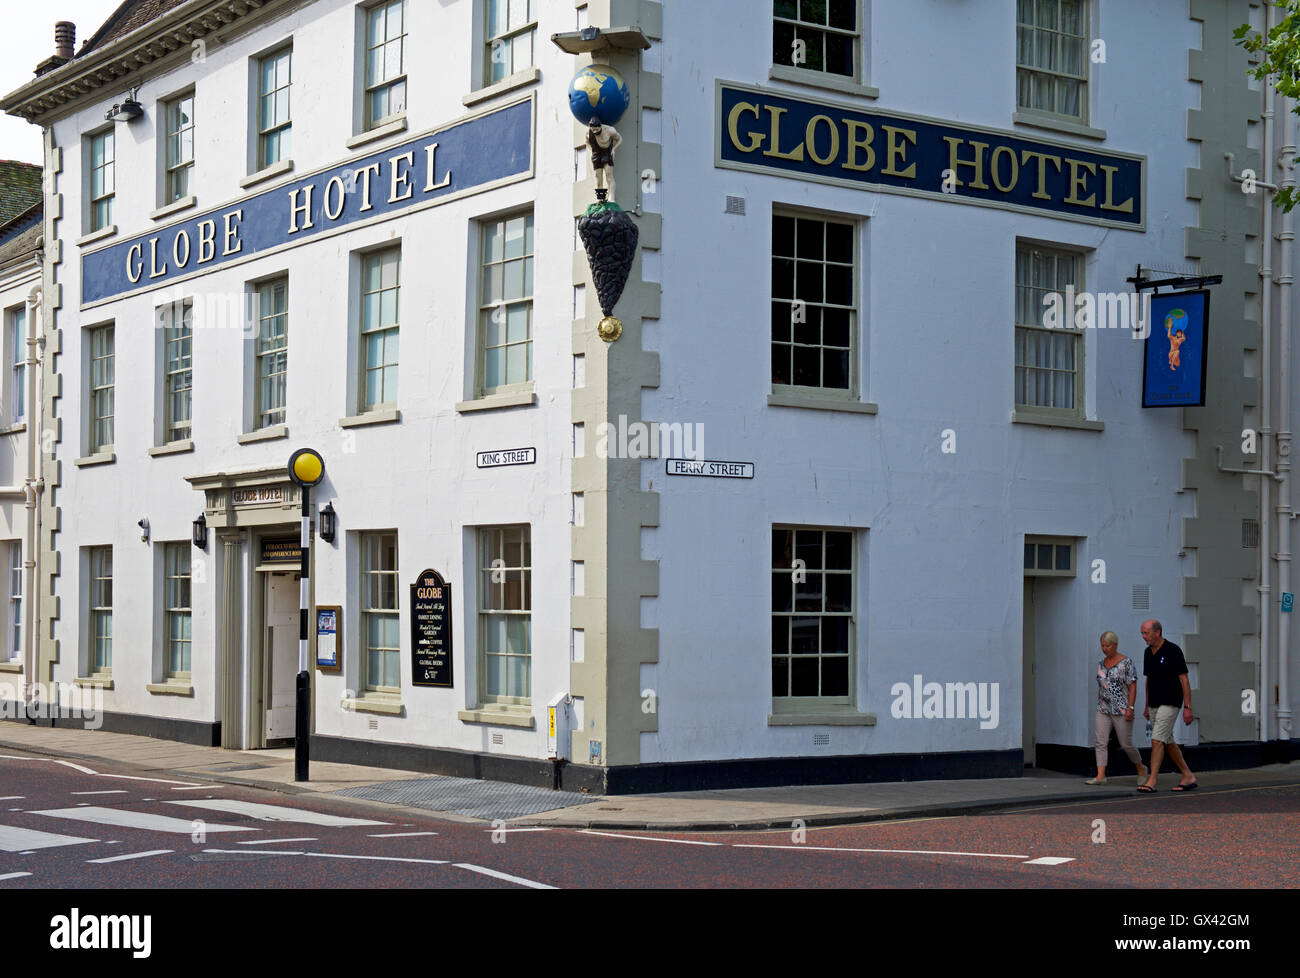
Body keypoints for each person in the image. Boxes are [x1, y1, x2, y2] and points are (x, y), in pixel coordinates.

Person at [1137, 619, 1198, 793]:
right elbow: (1148, 679)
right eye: (1142, 633)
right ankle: (1188, 775)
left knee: (1157, 740)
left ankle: (1152, 780)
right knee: (1168, 741)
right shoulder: (1148, 653)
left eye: (1146, 633)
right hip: (1154, 703)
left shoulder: (1173, 650)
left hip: (1171, 702)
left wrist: (1188, 707)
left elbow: (1184, 679)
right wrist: (1147, 705)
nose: (1143, 637)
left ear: (1157, 632)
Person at [1087, 630, 1147, 785]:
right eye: (1102, 645)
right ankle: (1101, 776)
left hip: (1121, 709)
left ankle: (1141, 768)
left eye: (1107, 645)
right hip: (1103, 708)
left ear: (1115, 645)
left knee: (1125, 743)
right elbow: (1101, 685)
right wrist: (1100, 699)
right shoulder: (1101, 664)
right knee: (1100, 741)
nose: (1104, 648)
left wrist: (1130, 708)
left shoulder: (1126, 663)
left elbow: (1132, 686)